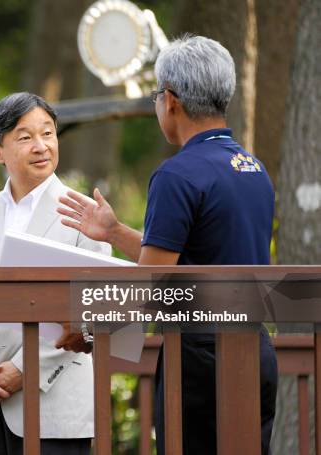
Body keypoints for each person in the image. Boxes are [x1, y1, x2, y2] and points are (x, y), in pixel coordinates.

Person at [56, 35, 277, 454]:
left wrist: (89, 329)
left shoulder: (177, 175)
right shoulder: (252, 167)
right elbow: (194, 257)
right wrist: (115, 230)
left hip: (199, 353)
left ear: (170, 100)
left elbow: (152, 283)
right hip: (255, 345)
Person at [0, 92, 111, 455]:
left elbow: (91, 310)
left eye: (48, 133)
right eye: (25, 136)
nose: (41, 146)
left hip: (55, 409)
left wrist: (23, 369)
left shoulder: (87, 215)